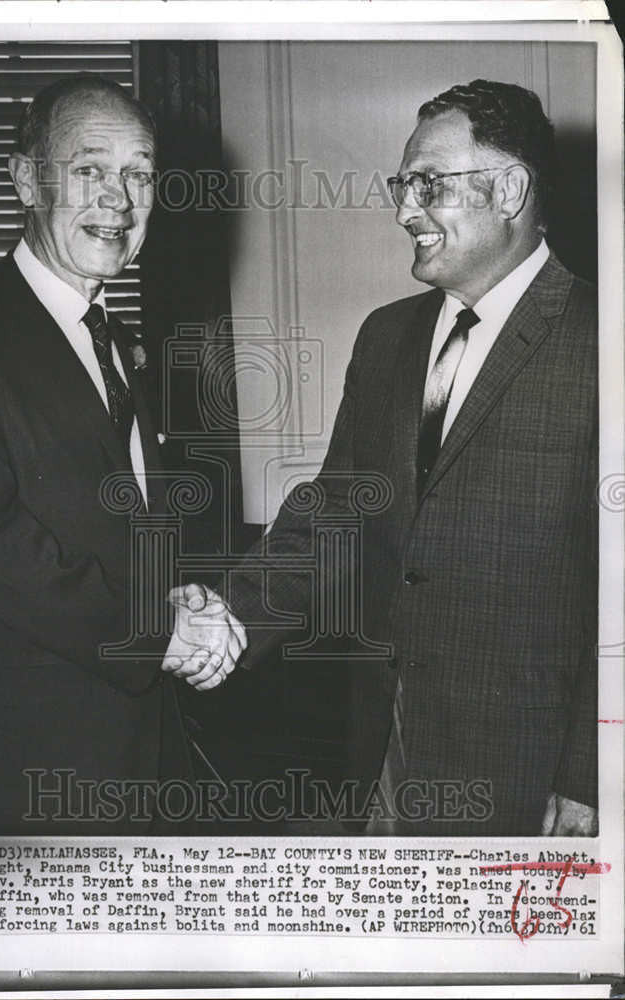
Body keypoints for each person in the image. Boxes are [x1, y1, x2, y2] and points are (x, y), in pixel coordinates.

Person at [171, 79, 598, 837]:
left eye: (427, 184)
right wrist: (230, 614)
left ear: (509, 189)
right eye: (403, 184)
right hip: (381, 751)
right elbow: (334, 513)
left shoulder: (605, 337)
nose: (404, 210)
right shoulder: (387, 337)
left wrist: (590, 776)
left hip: (529, 775)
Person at [0, 74, 243, 835]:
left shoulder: (113, 340)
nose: (119, 198)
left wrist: (178, 599)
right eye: (89, 169)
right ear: (26, 179)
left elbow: (109, 519)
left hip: (145, 749)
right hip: (33, 772)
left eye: (139, 173)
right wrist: (160, 632)